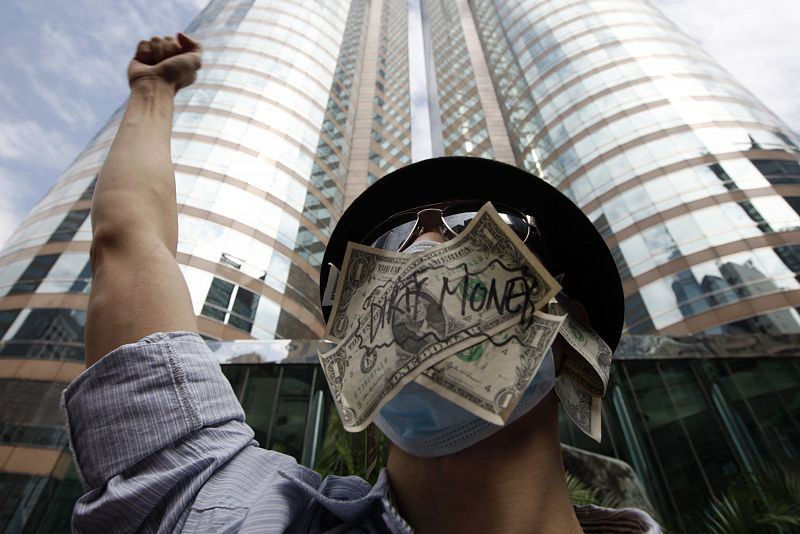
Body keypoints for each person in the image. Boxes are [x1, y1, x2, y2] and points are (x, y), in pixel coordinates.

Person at [62, 33, 662, 533]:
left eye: (474, 228)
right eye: (385, 247)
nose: (423, 248)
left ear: (569, 329)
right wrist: (152, 91)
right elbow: (130, 243)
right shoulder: (231, 511)